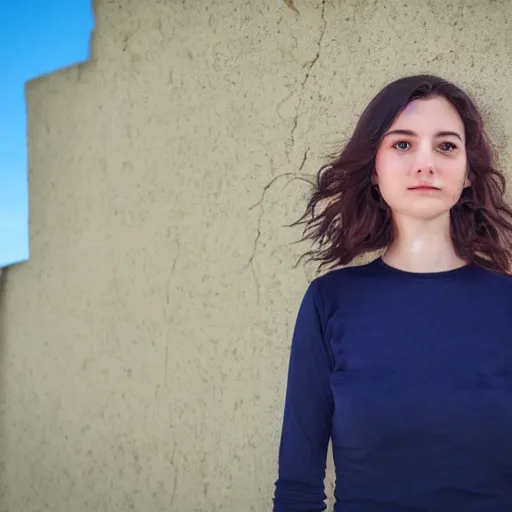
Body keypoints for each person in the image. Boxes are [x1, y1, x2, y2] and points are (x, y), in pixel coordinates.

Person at [272, 74, 512, 512]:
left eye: (446, 146)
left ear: (468, 175)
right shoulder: (330, 302)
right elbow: (297, 489)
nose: (426, 164)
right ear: (375, 170)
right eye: (402, 144)